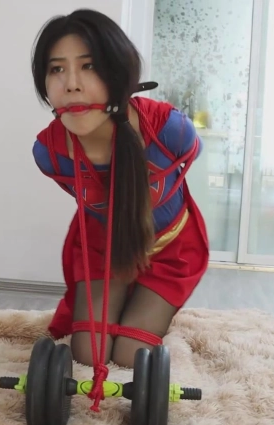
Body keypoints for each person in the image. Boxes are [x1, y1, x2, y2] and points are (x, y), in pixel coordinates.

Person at [29, 8, 209, 382]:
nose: (71, 84)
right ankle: (122, 294)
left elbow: (191, 155)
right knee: (88, 352)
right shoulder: (50, 153)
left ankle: (140, 300)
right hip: (104, 249)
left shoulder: (169, 129)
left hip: (169, 251)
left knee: (131, 354)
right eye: (57, 69)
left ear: (119, 72)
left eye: (89, 66)